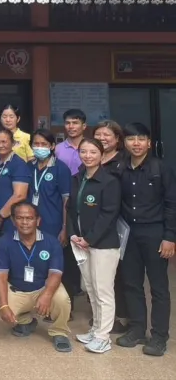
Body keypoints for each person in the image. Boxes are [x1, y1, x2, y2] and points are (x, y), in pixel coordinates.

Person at [116, 122, 175, 356]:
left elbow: (172, 204)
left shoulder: (161, 168)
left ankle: (159, 336)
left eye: (141, 139)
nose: (136, 143)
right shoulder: (120, 168)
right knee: (131, 283)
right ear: (125, 143)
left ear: (149, 143)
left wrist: (169, 237)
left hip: (155, 233)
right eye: (131, 139)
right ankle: (137, 329)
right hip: (128, 234)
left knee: (159, 287)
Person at [0, 201, 72, 353]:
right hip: (17, 290)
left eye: (29, 218)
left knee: (62, 299)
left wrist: (47, 295)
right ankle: (26, 321)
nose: (25, 222)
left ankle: (59, 332)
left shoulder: (51, 242)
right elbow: (1, 276)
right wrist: (3, 306)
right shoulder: (3, 242)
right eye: (20, 218)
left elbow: (56, 273)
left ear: (38, 220)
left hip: (43, 288)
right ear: (13, 220)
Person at [67, 138, 121, 354]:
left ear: (101, 154)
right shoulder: (78, 177)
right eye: (84, 152)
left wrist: (89, 239)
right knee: (90, 288)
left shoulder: (109, 181)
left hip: (103, 244)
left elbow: (109, 214)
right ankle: (96, 329)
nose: (87, 156)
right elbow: (71, 209)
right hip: (81, 242)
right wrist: (74, 234)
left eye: (93, 152)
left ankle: (103, 337)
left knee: (103, 291)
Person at [28, 129, 77, 301]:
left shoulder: (60, 169)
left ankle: (65, 305)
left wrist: (64, 228)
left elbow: (66, 201)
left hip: (54, 225)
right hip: (32, 226)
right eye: (36, 144)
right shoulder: (29, 167)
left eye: (44, 144)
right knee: (37, 262)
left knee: (58, 265)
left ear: (52, 146)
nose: (39, 147)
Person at [94, 119, 128, 333]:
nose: (102, 138)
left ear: (117, 139)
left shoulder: (123, 162)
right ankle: (104, 316)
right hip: (96, 222)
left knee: (120, 272)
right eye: (98, 135)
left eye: (107, 135)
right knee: (100, 274)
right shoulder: (92, 157)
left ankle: (122, 317)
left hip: (119, 222)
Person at [0, 128, 30, 246]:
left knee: (11, 252)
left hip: (10, 220)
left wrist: (0, 216)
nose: (0, 145)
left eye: (4, 142)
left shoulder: (18, 164)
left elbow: (20, 195)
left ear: (12, 143)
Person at [56, 109, 87, 176]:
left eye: (75, 123)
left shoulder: (91, 147)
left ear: (84, 126)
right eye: (67, 123)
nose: (71, 126)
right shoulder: (57, 149)